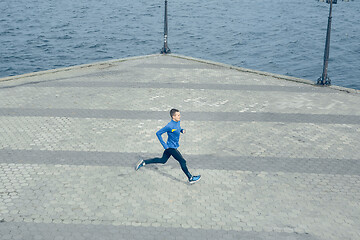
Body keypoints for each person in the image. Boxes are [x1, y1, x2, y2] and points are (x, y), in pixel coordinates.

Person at [135, 109, 201, 184]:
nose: (180, 116)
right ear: (173, 117)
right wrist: (165, 145)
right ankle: (190, 178)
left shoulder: (177, 122)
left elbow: (176, 129)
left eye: (179, 115)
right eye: (178, 115)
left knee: (163, 160)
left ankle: (143, 162)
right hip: (170, 148)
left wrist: (181, 130)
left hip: (173, 146)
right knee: (182, 161)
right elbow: (158, 133)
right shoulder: (169, 126)